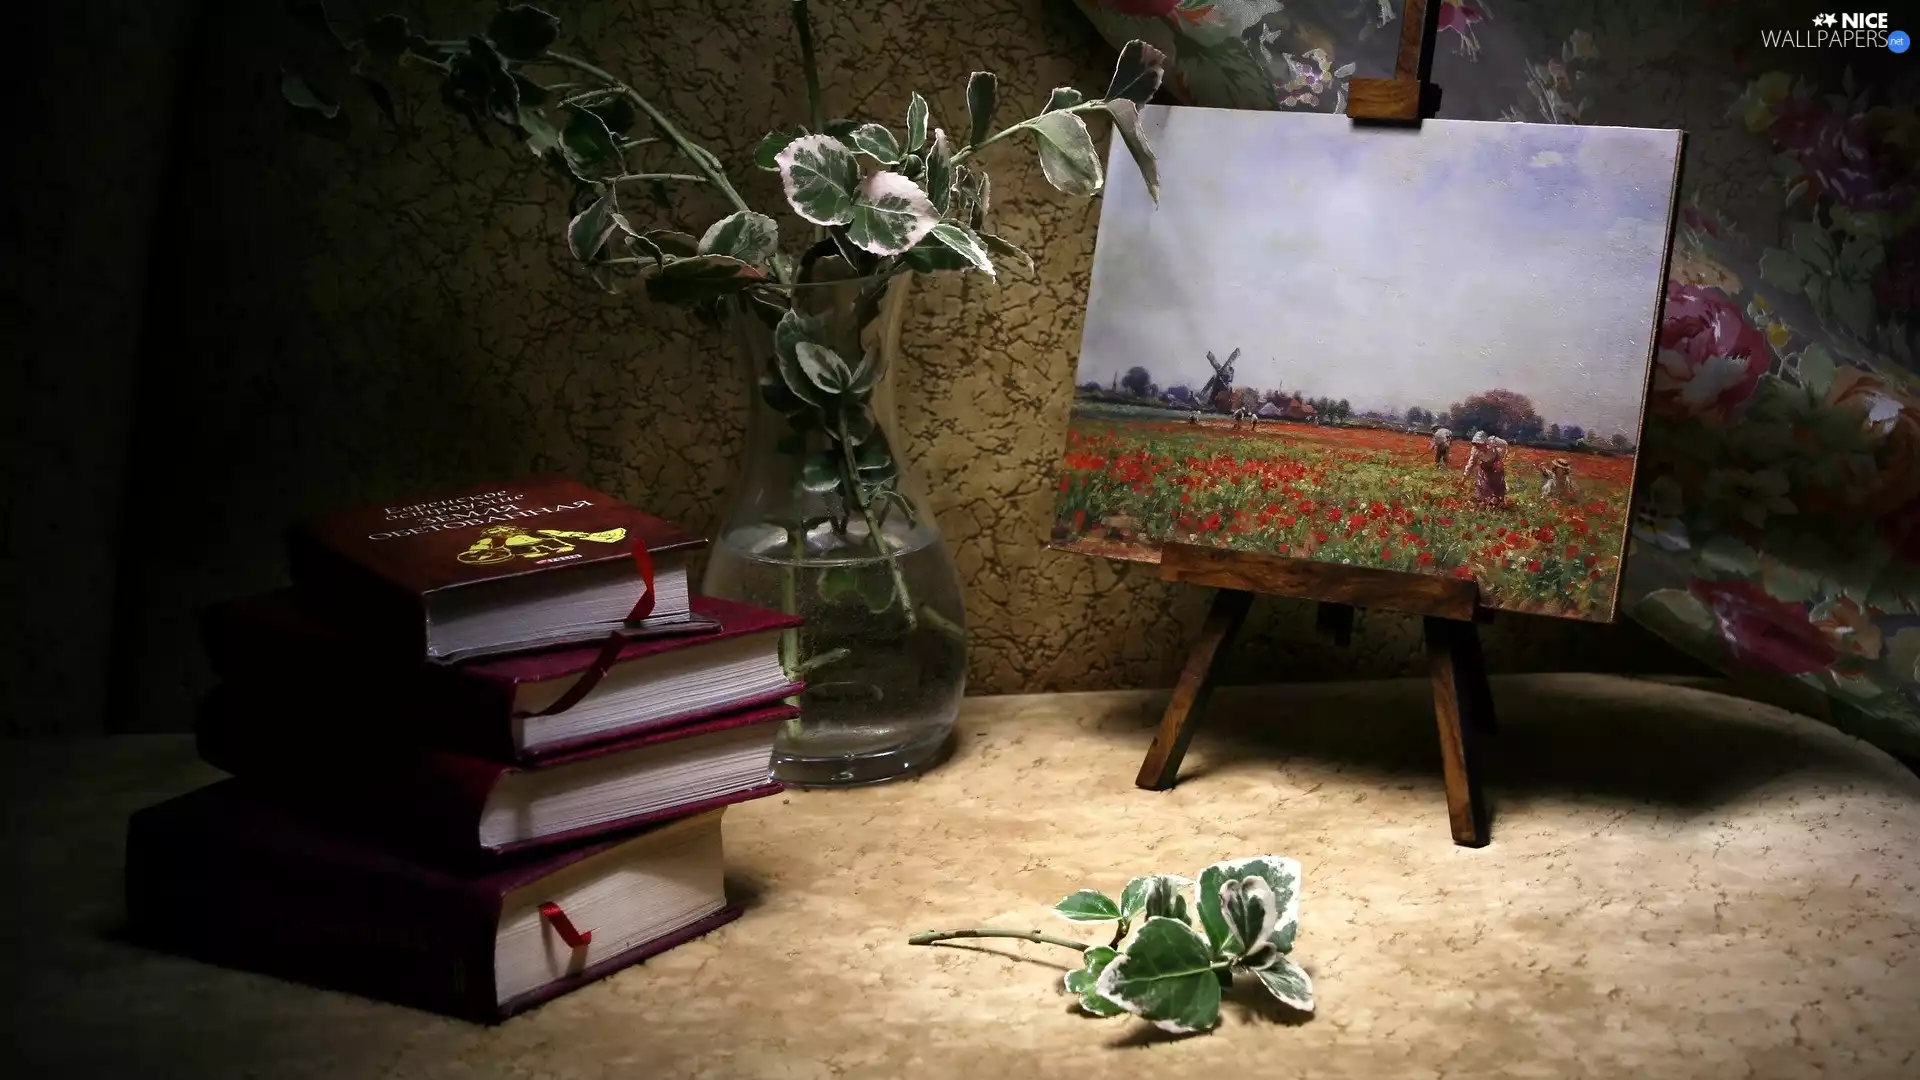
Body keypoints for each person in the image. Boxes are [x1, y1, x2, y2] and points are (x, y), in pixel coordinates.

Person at [1469, 436, 1509, 507]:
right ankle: (1484, 501)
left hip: (1496, 466)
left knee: (1497, 483)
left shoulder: (1492, 442)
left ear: (1484, 443)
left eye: (1480, 445)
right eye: (1476, 445)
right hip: (1484, 468)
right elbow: (1471, 464)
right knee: (1482, 484)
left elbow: (1505, 445)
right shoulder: (1475, 451)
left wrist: (1501, 459)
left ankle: (1498, 501)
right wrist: (1464, 477)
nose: (1478, 447)